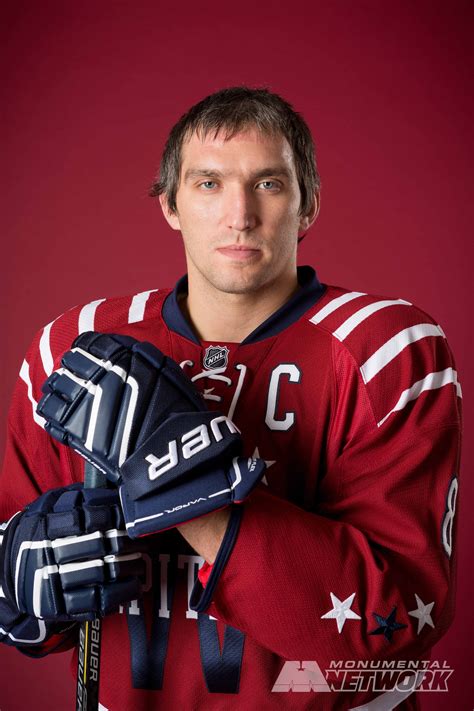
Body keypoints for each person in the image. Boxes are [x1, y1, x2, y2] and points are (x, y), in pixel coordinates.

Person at [0, 87, 462, 710]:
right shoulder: (73, 348)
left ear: (308, 205)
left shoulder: (384, 351)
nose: (239, 214)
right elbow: (21, 577)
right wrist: (25, 584)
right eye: (209, 183)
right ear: (170, 204)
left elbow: (395, 622)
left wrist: (188, 494)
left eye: (269, 184)